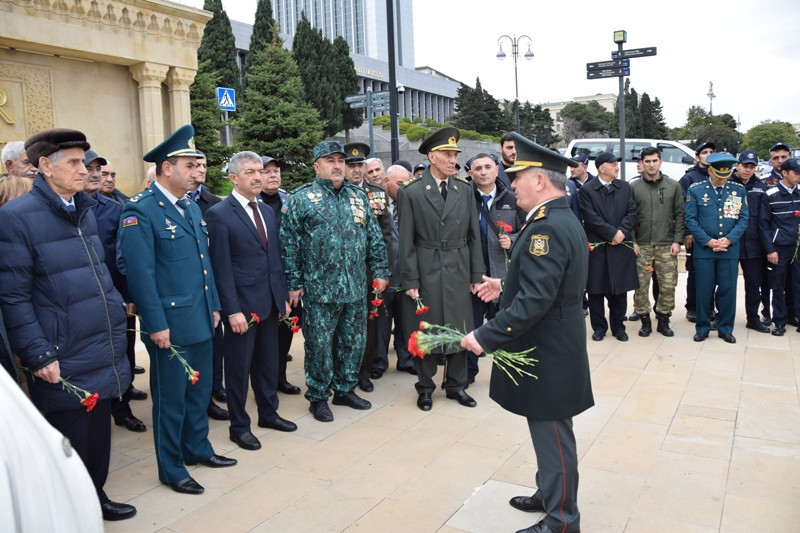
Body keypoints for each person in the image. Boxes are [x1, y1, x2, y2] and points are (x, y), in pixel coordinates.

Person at [0, 128, 135, 520]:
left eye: (84, 160)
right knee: (69, 439)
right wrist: (38, 353)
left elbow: (97, 274)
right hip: (62, 352)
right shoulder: (15, 218)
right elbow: (12, 296)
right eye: (74, 162)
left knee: (98, 436)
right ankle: (72, 511)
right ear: (45, 166)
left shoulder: (84, 209)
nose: (84, 170)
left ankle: (96, 497)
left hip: (100, 344)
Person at [461, 132, 592, 533]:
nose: (511, 184)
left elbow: (536, 302)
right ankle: (549, 493)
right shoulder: (553, 218)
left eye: (517, 177)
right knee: (546, 427)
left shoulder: (544, 229)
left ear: (539, 180)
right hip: (554, 341)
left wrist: (484, 336)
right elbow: (549, 286)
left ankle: (562, 520)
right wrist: (504, 286)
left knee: (553, 432)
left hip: (548, 347)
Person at [119, 124, 236, 495]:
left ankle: (197, 448)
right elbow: (140, 275)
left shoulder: (188, 207)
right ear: (167, 168)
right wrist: (155, 324)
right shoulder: (140, 212)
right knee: (171, 400)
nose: (196, 172)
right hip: (169, 324)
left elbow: (205, 265)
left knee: (199, 393)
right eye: (190, 165)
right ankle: (171, 468)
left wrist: (215, 306)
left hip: (201, 317)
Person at [280, 141, 390, 422]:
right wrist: (294, 282)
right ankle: (318, 397)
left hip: (354, 286)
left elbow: (373, 237)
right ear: (317, 166)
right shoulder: (302, 198)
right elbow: (289, 243)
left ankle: (344, 389)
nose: (338, 165)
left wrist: (380, 271)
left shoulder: (358, 196)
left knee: (353, 343)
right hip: (319, 289)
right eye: (330, 160)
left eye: (340, 160)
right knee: (319, 346)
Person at [205, 151, 294, 451]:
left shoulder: (267, 210)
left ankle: (268, 414)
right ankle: (239, 426)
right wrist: (232, 310)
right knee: (239, 370)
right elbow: (221, 267)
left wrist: (281, 298)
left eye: (260, 171)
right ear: (233, 178)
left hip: (269, 304)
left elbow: (274, 258)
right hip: (242, 308)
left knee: (268, 364)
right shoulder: (219, 214)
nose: (258, 176)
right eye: (250, 172)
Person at [398, 126, 484, 411]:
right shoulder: (411, 193)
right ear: (432, 157)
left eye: (455, 154)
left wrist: (475, 275)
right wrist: (410, 279)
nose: (453, 160)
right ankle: (425, 387)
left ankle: (456, 385)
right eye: (448, 154)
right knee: (425, 330)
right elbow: (406, 240)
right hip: (427, 267)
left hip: (458, 267)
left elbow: (474, 236)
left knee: (460, 328)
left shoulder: (464, 189)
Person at [82, 149, 147, 434]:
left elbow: (124, 259)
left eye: (100, 169)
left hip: (115, 297)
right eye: (90, 168)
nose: (96, 174)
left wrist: (130, 295)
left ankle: (121, 408)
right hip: (79, 302)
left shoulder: (114, 210)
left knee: (120, 351)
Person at [468, 153, 526, 384]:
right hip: (473, 276)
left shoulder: (512, 199)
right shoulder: (464, 198)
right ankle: (468, 374)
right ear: (470, 173)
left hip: (502, 276)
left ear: (496, 170)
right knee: (471, 326)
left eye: (487, 167)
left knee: (505, 326)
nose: (483, 172)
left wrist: (512, 238)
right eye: (478, 168)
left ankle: (506, 373)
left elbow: (529, 229)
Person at [345, 143, 393, 392]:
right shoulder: (335, 192)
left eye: (359, 165)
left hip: (367, 272)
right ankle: (341, 372)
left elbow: (385, 236)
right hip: (341, 272)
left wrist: (380, 271)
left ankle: (363, 372)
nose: (356, 170)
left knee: (369, 324)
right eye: (351, 165)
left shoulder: (377, 193)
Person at [685, 153, 748, 343]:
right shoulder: (696, 190)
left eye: (726, 176)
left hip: (729, 249)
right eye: (718, 175)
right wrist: (708, 241)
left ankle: (725, 328)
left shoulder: (738, 190)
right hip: (705, 250)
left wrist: (728, 240)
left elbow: (743, 219)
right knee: (704, 290)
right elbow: (691, 220)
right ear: (710, 170)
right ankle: (703, 327)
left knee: (728, 290)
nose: (722, 180)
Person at [186, 153, 228, 420]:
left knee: (214, 343)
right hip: (184, 296)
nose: (199, 170)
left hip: (210, 287)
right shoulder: (145, 208)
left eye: (202, 165)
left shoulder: (210, 204)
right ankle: (198, 401)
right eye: (192, 166)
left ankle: (213, 388)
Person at [580, 151, 638, 341]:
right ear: (602, 168)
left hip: (621, 246)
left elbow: (632, 212)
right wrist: (612, 234)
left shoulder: (624, 187)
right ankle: (599, 328)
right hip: (599, 248)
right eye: (613, 164)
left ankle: (618, 327)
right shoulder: (588, 190)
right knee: (596, 290)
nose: (617, 167)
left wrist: (621, 232)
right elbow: (590, 218)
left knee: (619, 291)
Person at [629, 146, 684, 337]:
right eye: (647, 161)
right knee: (641, 285)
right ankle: (644, 320)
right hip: (642, 245)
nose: (651, 165)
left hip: (666, 244)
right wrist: (632, 241)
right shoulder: (633, 187)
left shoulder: (673, 185)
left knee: (668, 285)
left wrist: (678, 241)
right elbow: (629, 216)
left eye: (654, 161)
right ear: (641, 164)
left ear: (660, 161)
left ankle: (663, 319)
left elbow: (679, 214)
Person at [259, 155, 302, 395]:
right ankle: (263, 384)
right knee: (264, 338)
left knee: (285, 333)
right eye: (267, 171)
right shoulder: (253, 204)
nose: (273, 175)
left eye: (276, 170)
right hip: (263, 283)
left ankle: (280, 379)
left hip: (288, 280)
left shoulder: (289, 200)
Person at [376, 164, 416, 376]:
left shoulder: (411, 204)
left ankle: (405, 359)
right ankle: (379, 361)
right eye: (400, 184)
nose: (404, 187)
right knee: (382, 321)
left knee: (405, 320)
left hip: (407, 276)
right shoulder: (376, 204)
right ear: (386, 182)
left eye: (407, 183)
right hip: (384, 274)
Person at [759, 157, 800, 336]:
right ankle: (780, 321)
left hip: (797, 247)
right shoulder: (770, 194)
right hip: (779, 248)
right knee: (778, 285)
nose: (799, 177)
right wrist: (770, 250)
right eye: (796, 173)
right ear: (784, 173)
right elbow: (763, 225)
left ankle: (796, 317)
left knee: (797, 284)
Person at [732, 150, 770, 333]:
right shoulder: (727, 183)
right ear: (737, 165)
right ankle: (722, 316)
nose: (747, 170)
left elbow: (764, 219)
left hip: (754, 245)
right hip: (731, 243)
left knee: (754, 284)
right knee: (725, 284)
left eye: (751, 167)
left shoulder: (761, 187)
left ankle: (753, 318)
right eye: (745, 166)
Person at [679, 141, 715, 323]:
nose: (708, 155)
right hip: (695, 234)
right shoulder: (689, 178)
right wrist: (687, 232)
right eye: (704, 152)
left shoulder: (719, 175)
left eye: (711, 152)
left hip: (715, 234)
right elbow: (683, 207)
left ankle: (710, 307)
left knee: (713, 273)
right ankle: (692, 307)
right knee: (694, 272)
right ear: (697, 156)